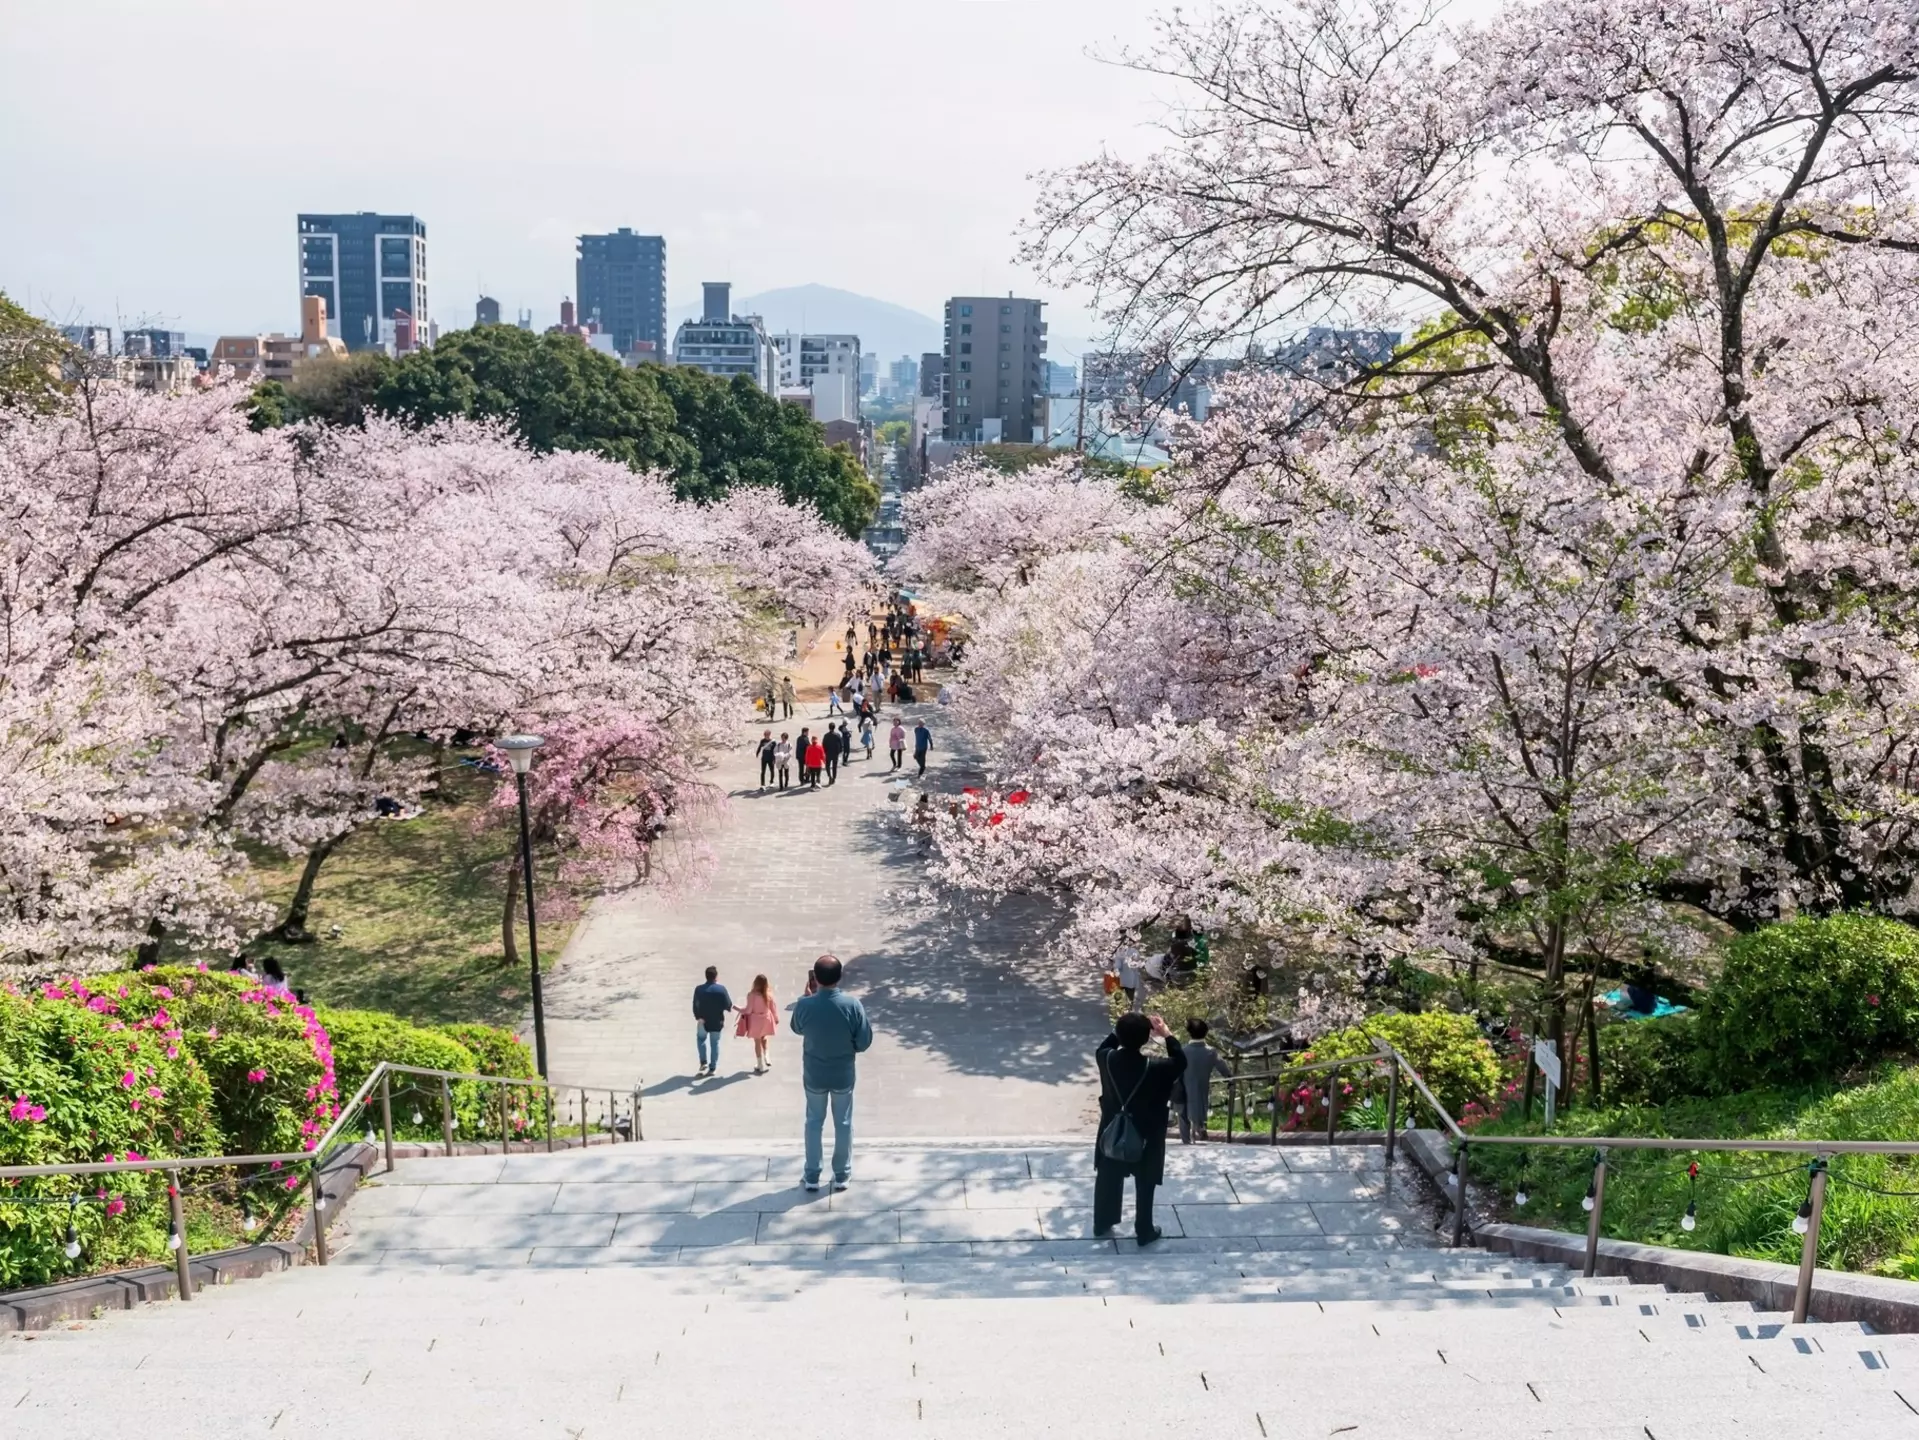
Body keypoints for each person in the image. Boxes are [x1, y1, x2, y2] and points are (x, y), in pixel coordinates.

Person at [1092, 1012, 1186, 1244]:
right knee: (1145, 1180)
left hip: (1113, 1129)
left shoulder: (1106, 1058)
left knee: (1108, 1174)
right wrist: (1166, 1034)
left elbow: (1108, 1042)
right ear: (1146, 1039)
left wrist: (1122, 1028)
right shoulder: (1157, 1067)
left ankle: (1103, 1221)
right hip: (1147, 1132)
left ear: (1119, 1035)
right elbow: (1181, 1061)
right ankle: (1143, 1228)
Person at [788, 954, 873, 1191]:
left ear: (815, 977)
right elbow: (864, 1041)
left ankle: (812, 1175)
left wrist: (809, 1001)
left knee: (814, 1122)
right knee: (843, 1122)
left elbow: (796, 1028)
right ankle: (842, 1174)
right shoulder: (852, 1005)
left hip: (814, 1074)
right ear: (840, 977)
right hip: (843, 1074)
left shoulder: (804, 1004)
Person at [1176, 1018, 1231, 1144]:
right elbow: (1222, 1067)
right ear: (1205, 1033)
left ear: (1189, 1033)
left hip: (1182, 1087)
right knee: (1199, 1109)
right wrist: (1229, 1078)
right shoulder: (1210, 1052)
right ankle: (1200, 1130)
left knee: (1183, 1114)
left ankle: (1186, 1141)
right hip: (1201, 1087)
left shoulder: (1183, 1051)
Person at [692, 966, 735, 1076]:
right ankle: (712, 1068)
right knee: (714, 1043)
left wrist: (698, 1017)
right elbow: (728, 1005)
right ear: (716, 977)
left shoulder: (699, 989)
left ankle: (703, 1062)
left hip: (703, 1020)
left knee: (701, 1039)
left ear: (706, 976)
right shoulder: (721, 989)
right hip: (717, 1021)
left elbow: (695, 1005)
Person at [741, 973, 780, 1073]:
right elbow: (773, 1008)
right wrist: (776, 1018)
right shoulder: (768, 994)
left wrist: (740, 1009)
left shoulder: (751, 995)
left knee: (757, 1042)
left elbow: (749, 1010)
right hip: (766, 1018)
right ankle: (767, 1055)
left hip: (755, 1020)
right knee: (764, 1037)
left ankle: (760, 1064)